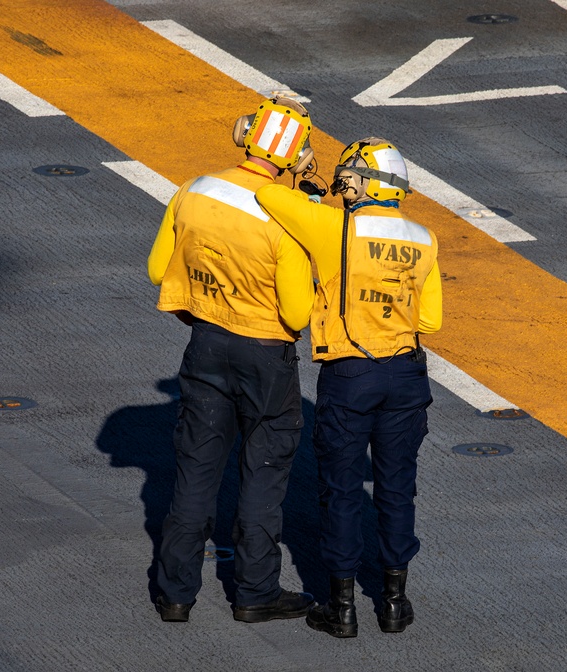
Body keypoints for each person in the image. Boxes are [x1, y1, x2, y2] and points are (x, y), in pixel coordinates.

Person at [254, 138, 442, 637]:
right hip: (406, 374)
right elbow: (432, 317)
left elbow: (271, 198)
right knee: (397, 490)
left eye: (347, 177)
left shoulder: (335, 227)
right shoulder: (424, 237)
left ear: (362, 182)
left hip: (350, 375)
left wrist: (311, 191)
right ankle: (395, 603)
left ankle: (341, 610)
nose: (343, 183)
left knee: (339, 492)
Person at [146, 97, 317, 624]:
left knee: (196, 472)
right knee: (263, 473)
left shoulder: (195, 189)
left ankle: (175, 594)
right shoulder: (287, 219)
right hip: (265, 353)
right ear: (296, 155)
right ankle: (255, 593)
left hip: (206, 343)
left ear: (245, 134)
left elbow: (158, 269)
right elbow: (297, 312)